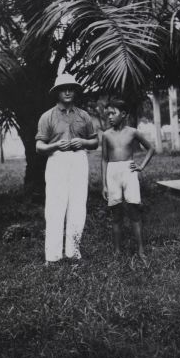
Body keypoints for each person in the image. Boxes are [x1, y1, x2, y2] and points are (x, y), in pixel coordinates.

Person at [35, 74, 98, 264]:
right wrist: (54, 146)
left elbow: (95, 141)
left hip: (79, 159)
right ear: (57, 93)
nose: (68, 91)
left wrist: (84, 141)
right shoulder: (48, 116)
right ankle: (53, 257)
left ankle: (73, 252)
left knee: (78, 205)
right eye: (64, 88)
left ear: (75, 91)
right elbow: (39, 147)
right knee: (55, 207)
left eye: (71, 88)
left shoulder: (83, 115)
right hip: (57, 160)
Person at [101, 99, 155, 259]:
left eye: (113, 113)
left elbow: (151, 148)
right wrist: (104, 184)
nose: (110, 117)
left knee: (134, 211)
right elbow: (104, 159)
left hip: (129, 171)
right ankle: (117, 251)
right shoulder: (106, 135)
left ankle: (140, 250)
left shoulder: (132, 132)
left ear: (123, 114)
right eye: (108, 114)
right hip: (112, 172)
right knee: (116, 213)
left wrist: (141, 166)